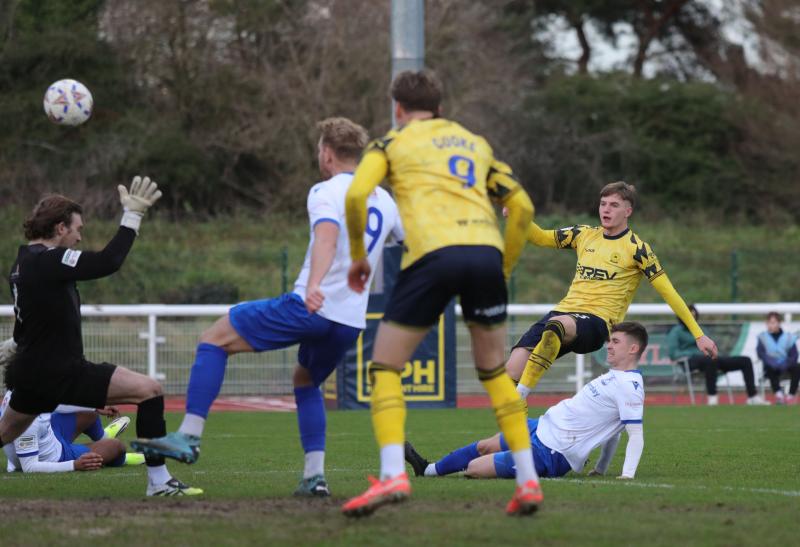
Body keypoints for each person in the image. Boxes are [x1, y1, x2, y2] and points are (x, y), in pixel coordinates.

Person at [131, 118, 403, 498]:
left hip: (311, 306)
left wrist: (312, 285)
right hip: (349, 321)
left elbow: (327, 235)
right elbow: (407, 239)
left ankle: (189, 437)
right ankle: (314, 478)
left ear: (326, 154)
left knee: (214, 339)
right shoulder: (384, 199)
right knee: (306, 382)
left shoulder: (325, 191)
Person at [342, 69, 539, 517]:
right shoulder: (475, 142)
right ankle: (528, 483)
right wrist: (503, 264)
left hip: (432, 255)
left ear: (397, 109)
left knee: (387, 366)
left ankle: (393, 475)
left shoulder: (391, 143)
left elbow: (357, 196)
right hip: (485, 254)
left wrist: (358, 257)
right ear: (442, 108)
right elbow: (523, 207)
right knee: (493, 373)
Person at [0, 177, 201, 495]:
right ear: (61, 228)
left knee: (5, 432)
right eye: (78, 229)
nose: (80, 237)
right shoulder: (49, 259)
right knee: (149, 390)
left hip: (31, 373)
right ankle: (159, 482)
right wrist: (132, 216)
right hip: (60, 371)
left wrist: (16, 343)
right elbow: (108, 261)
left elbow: (30, 314)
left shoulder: (21, 262)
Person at [511, 181, 718, 399]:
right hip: (564, 312)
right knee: (510, 372)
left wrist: (698, 334)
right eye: (603, 204)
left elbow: (669, 293)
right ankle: (517, 428)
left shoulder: (638, 249)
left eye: (614, 205)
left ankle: (521, 395)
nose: (606, 209)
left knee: (557, 326)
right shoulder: (584, 234)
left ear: (628, 211)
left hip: (597, 322)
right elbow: (542, 237)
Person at [405, 322, 647, 482]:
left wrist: (627, 475)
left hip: (553, 452)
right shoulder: (614, 377)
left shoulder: (629, 387)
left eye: (616, 342)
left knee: (475, 469)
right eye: (610, 340)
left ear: (633, 348)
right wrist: (601, 468)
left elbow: (634, 433)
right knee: (484, 446)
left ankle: (519, 464)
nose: (609, 345)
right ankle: (427, 469)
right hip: (541, 426)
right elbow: (612, 433)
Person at [1, 389, 143, 472]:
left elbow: (53, 404)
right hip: (58, 456)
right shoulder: (25, 419)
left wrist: (94, 407)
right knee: (116, 446)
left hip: (49, 433)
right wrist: (74, 465)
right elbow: (29, 467)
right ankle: (123, 458)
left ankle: (104, 435)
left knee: (89, 411)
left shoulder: (18, 393)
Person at [666, 305, 768, 405]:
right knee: (709, 360)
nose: (692, 318)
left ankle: (752, 396)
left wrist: (713, 352)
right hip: (690, 361)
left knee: (745, 360)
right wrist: (693, 353)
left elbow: (711, 346)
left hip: (710, 358)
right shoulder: (676, 332)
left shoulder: (701, 330)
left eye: (694, 316)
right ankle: (712, 397)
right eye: (689, 316)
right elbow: (673, 354)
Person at [756, 312, 799, 404]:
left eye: (773, 322)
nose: (770, 325)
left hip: (786, 366)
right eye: (769, 322)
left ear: (779, 323)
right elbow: (761, 353)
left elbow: (794, 355)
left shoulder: (788, 337)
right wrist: (772, 362)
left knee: (797, 367)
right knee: (769, 367)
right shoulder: (762, 337)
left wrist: (786, 364)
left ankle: (790, 396)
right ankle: (779, 395)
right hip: (771, 367)